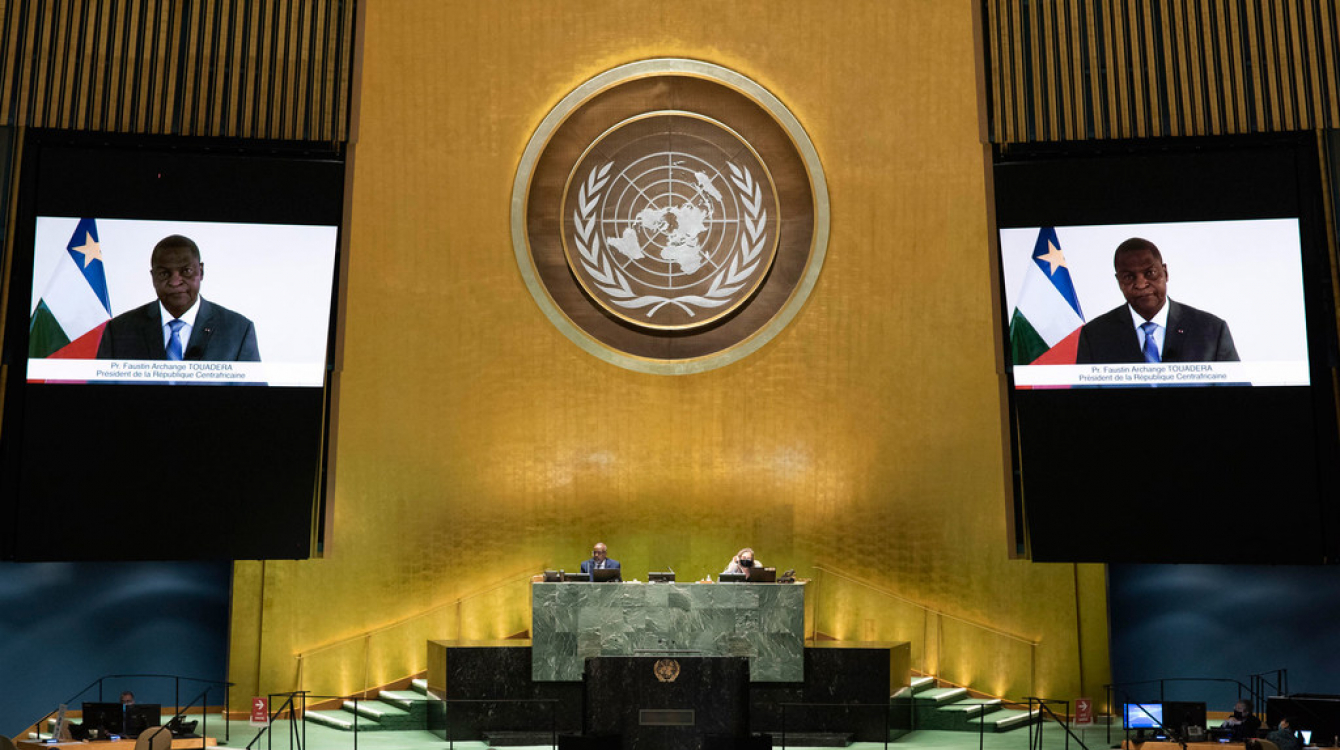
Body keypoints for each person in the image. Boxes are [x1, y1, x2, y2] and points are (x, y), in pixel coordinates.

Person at [96, 234, 261, 361]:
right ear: (153, 277)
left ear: (201, 272)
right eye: (164, 273)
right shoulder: (118, 331)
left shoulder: (238, 330)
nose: (175, 282)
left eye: (186, 271)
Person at [1075, 238, 1239, 365]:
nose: (1140, 284)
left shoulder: (1212, 331)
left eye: (1150, 272)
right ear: (1119, 281)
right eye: (1129, 277)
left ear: (1165, 273)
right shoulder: (1095, 336)